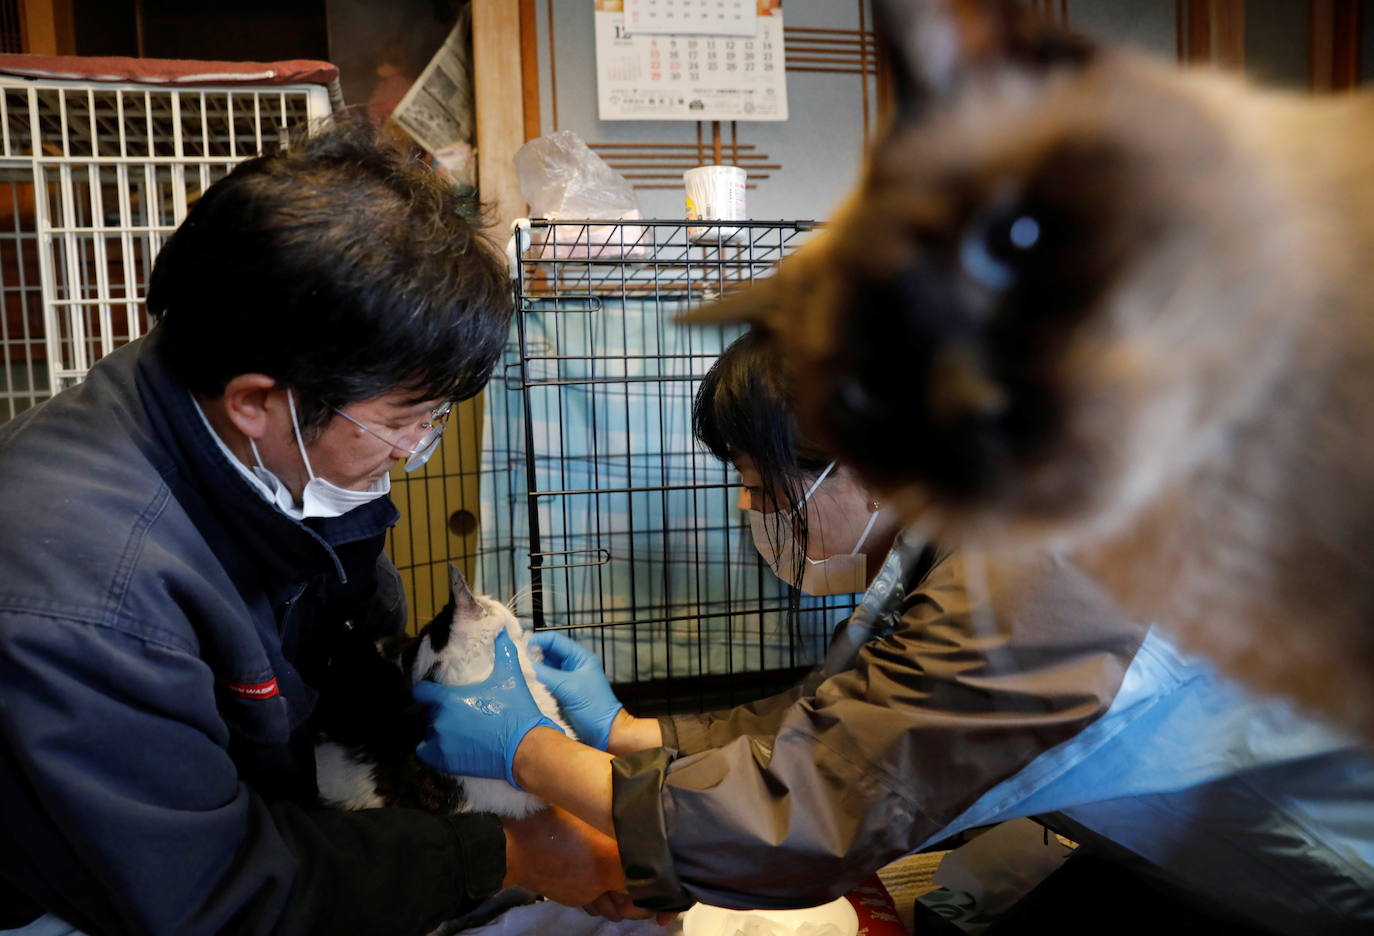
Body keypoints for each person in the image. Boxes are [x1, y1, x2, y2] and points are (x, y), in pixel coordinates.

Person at [412, 329, 1374, 934]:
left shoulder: (1052, 568)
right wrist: (625, 731)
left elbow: (819, 814)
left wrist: (532, 752)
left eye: (762, 483)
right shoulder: (978, 527)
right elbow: (838, 716)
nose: (751, 507)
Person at [0, 122, 631, 936]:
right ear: (258, 401)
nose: (414, 451)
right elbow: (208, 892)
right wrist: (503, 854)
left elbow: (351, 645)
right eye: (408, 422)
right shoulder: (86, 600)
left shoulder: (288, 455)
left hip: (258, 821)